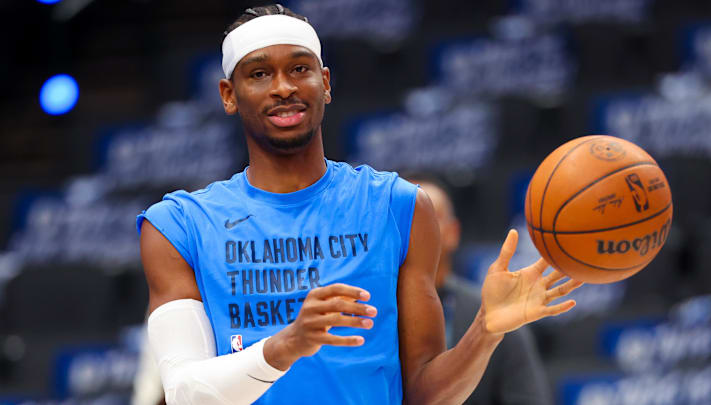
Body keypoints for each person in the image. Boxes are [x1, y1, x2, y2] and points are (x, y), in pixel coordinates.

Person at [137, 5, 583, 405]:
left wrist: (485, 330)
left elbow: (425, 394)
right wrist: (288, 343)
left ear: (325, 83)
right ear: (228, 95)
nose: (283, 88)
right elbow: (184, 392)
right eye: (258, 74)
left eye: (299, 69)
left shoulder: (399, 206)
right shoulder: (179, 225)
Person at [412, 178, 553, 405]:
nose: (413, 229)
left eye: (426, 217)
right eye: (402, 219)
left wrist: (486, 331)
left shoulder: (497, 315)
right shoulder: (364, 311)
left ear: (453, 232)